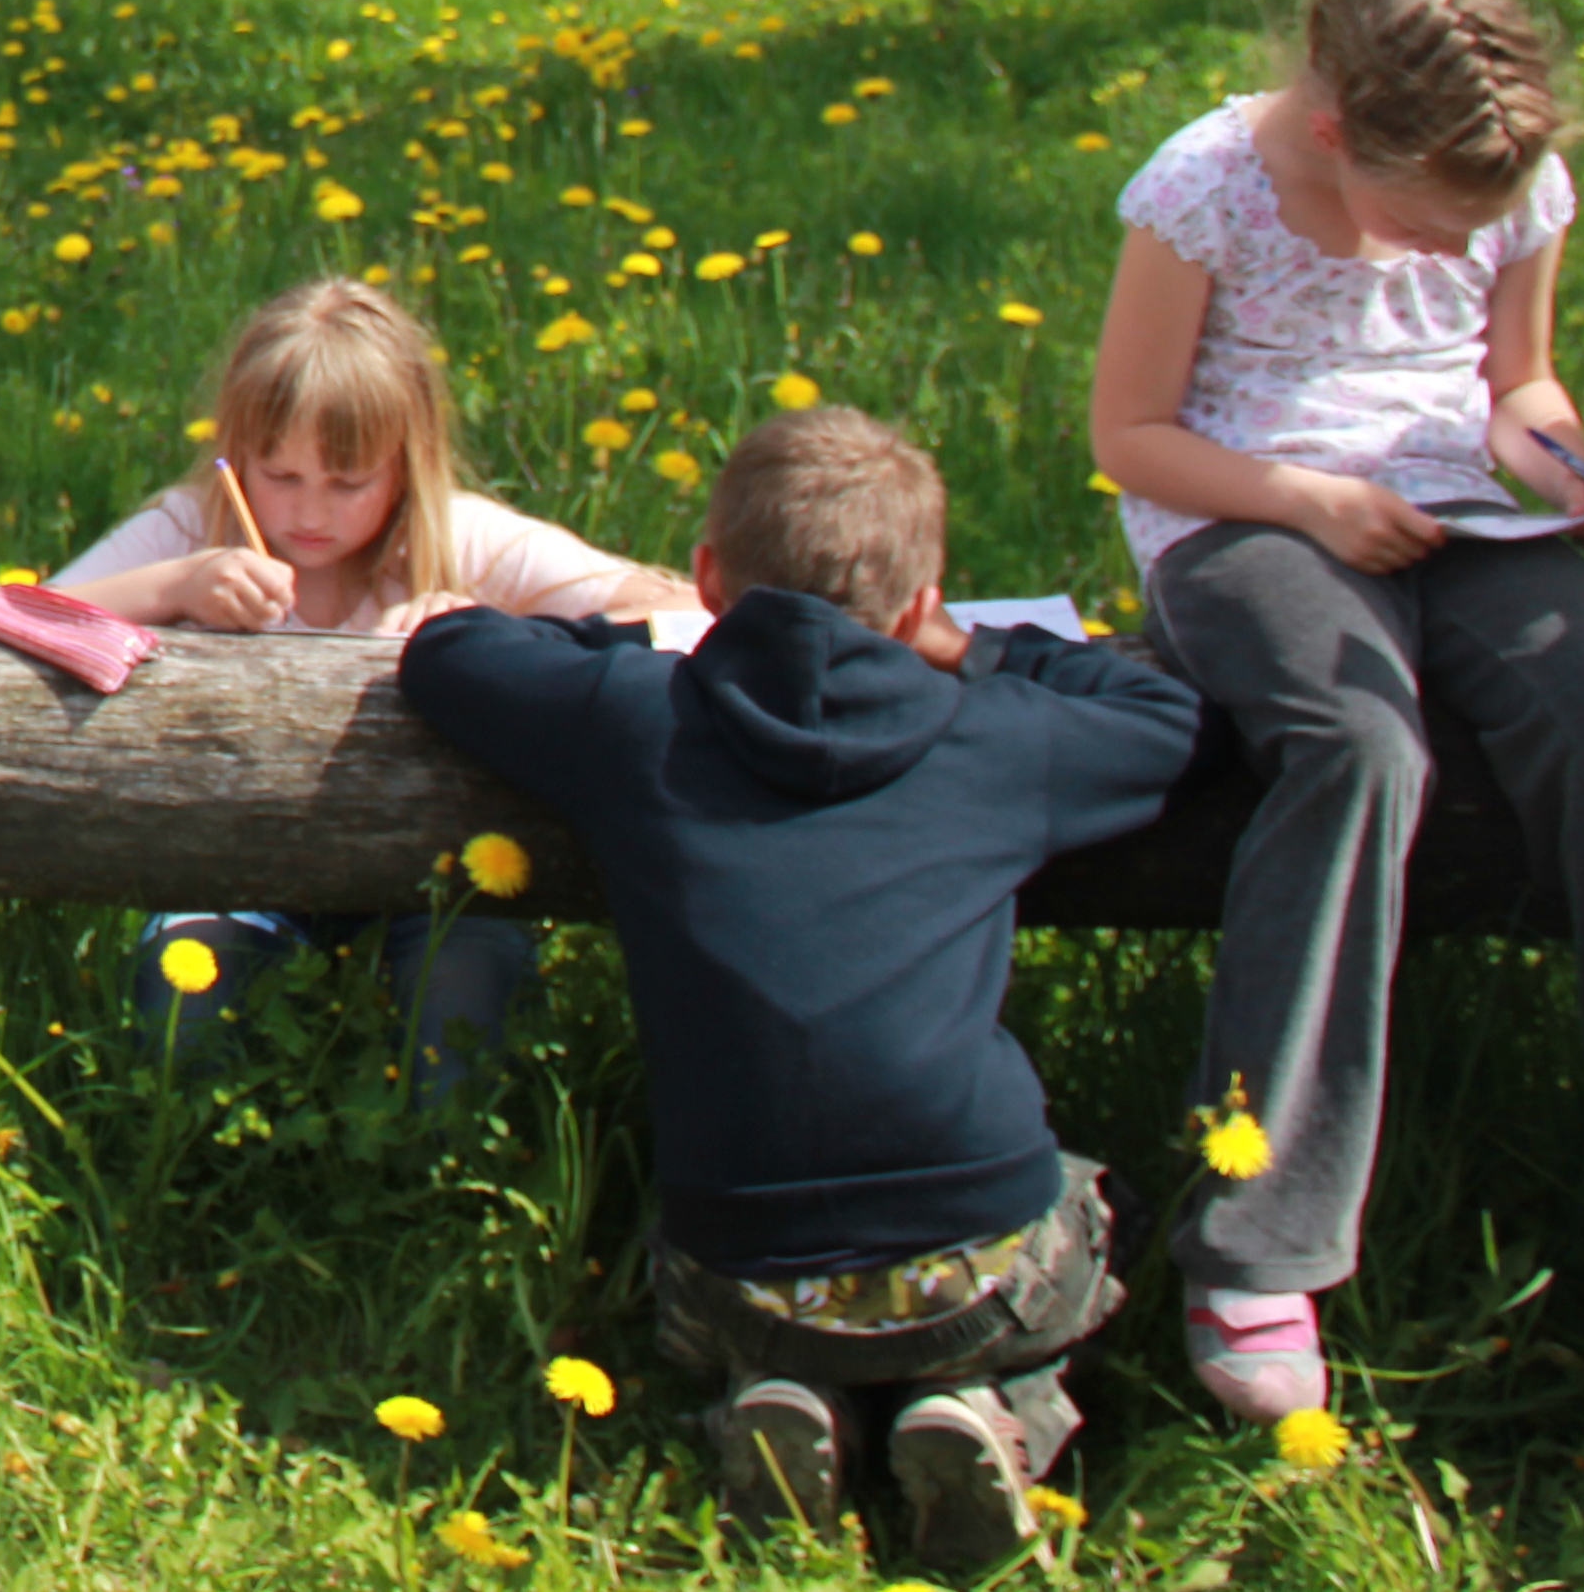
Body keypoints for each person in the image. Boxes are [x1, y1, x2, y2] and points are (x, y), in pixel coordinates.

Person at [402, 407, 1199, 1565]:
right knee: (1088, 1202)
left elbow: (450, 653)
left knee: (751, 1282)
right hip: (974, 1253)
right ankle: (988, 1410)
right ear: (920, 603)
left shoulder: (637, 721)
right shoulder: (994, 736)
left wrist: (639, 641)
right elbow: (1171, 720)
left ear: (710, 574)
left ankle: (777, 1397)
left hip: (739, 1262)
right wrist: (983, 651)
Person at [1088, 0, 1584, 1423]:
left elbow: (1515, 391)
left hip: (1451, 512)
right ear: (1338, 133)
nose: (1443, 248)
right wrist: (1308, 503)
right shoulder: (1206, 187)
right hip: (1243, 514)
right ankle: (1259, 1237)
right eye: (1424, 228)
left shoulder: (1508, 189)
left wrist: (1569, 479)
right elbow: (1134, 434)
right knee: (1359, 746)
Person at [55, 277, 697, 1077]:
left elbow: (685, 609)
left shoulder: (461, 538)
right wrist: (169, 587)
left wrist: (492, 636)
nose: (309, 512)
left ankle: (427, 1190)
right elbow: (1, 620)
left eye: (349, 481)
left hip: (434, 870)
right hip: (236, 863)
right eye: (279, 475)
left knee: (458, 1042)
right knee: (182, 1037)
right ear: (235, 453)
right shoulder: (194, 528)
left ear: (407, 464)